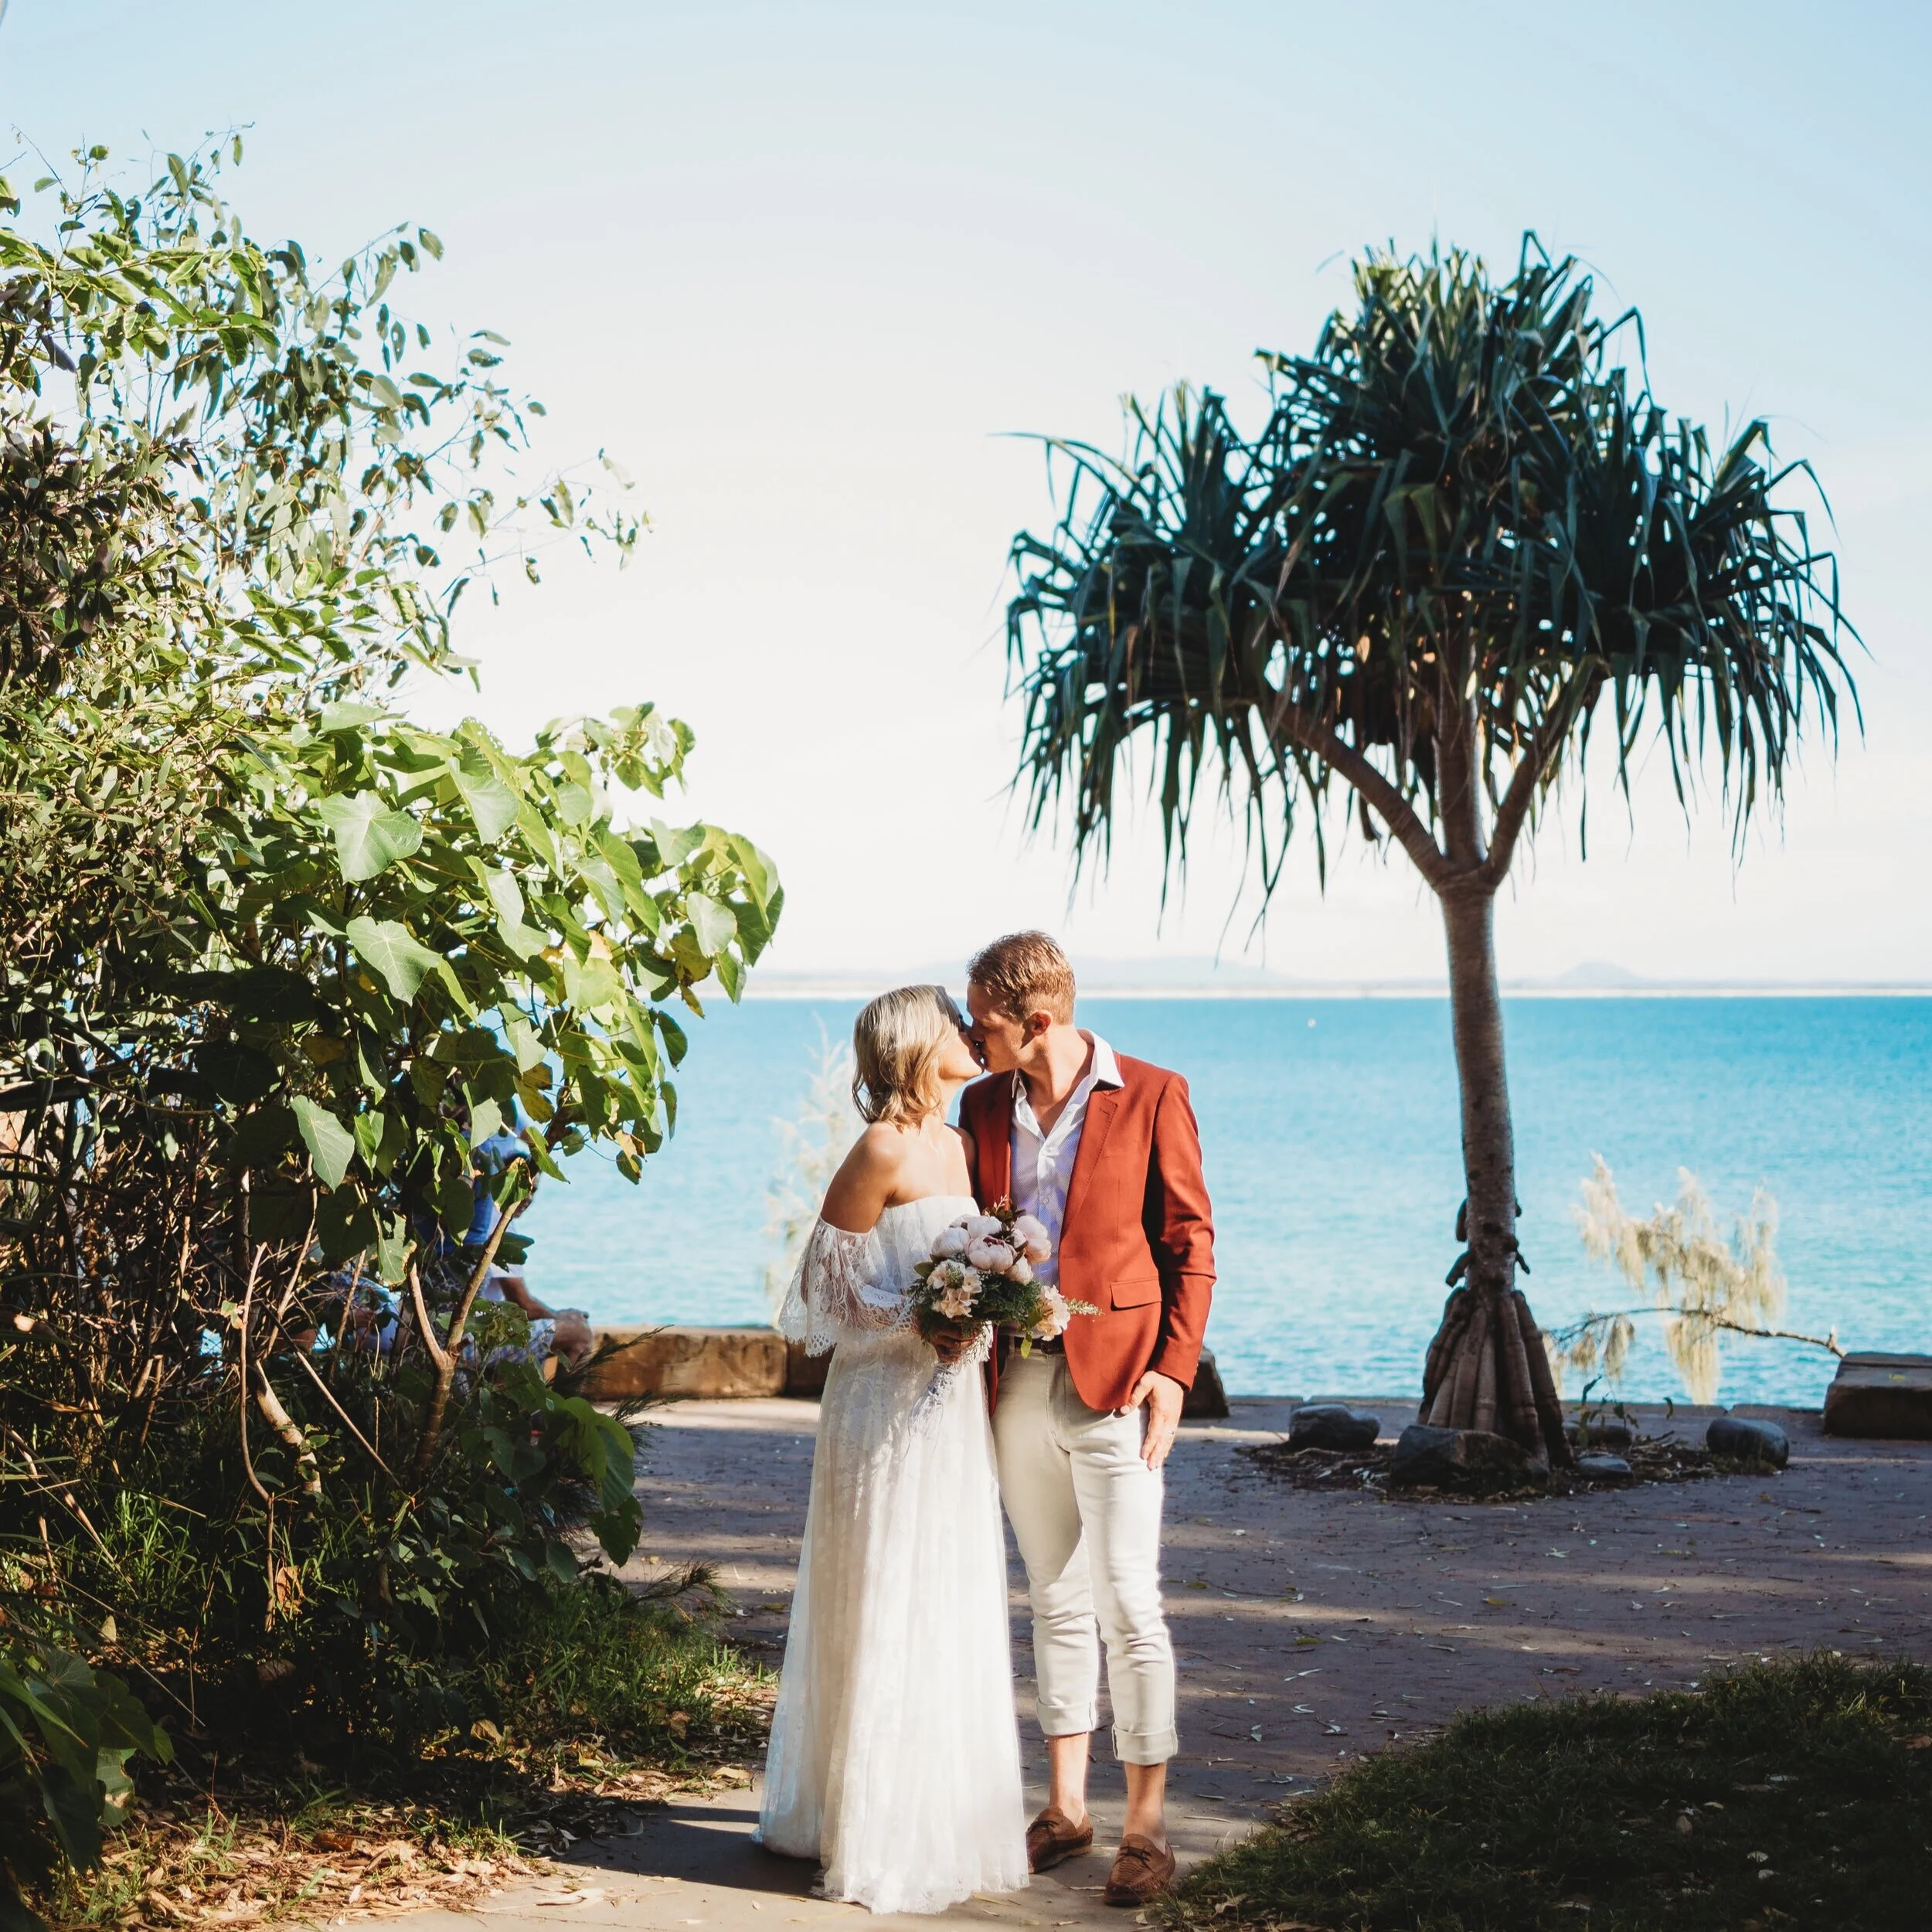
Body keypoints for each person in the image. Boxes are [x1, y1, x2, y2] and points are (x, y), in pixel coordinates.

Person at [758, 985, 1029, 1914]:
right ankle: (865, 1826)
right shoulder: (879, 1147)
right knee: (883, 1583)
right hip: (878, 1400)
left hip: (950, 1405)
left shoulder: (960, 1144)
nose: (969, 1031)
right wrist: (923, 1319)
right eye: (955, 1020)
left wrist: (984, 1315)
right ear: (919, 1044)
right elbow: (820, 1300)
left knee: (942, 1588)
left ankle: (940, 1815)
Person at [961, 932, 1215, 1909]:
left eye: (981, 1018)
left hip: (1118, 1382)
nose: (967, 1031)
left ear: (1038, 1020)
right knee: (1053, 1598)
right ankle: (1065, 1809)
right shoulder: (980, 1103)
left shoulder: (1152, 1093)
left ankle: (1147, 1828)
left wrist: (1175, 1374)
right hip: (1016, 1379)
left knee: (1128, 1602)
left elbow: (1189, 1240)